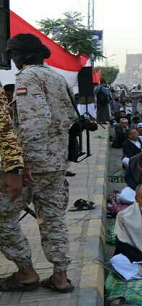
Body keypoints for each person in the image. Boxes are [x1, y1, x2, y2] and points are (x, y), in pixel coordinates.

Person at [0, 34, 77, 293]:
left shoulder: (28, 77)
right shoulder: (56, 77)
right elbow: (69, 117)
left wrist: (25, 163)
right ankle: (60, 277)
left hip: (33, 165)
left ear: (19, 55)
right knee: (53, 219)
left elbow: (36, 121)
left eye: (12, 55)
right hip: (56, 163)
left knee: (2, 216)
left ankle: (25, 272)